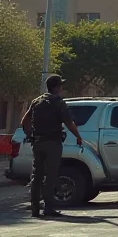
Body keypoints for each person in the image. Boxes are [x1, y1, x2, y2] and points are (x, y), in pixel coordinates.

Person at [20, 75, 83, 218]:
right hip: (52, 143)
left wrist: (30, 135)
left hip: (38, 143)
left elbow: (25, 121)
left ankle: (35, 209)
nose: (62, 88)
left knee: (37, 176)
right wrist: (78, 137)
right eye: (60, 85)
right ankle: (48, 207)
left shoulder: (37, 101)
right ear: (56, 87)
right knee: (50, 176)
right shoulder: (58, 103)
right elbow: (69, 123)